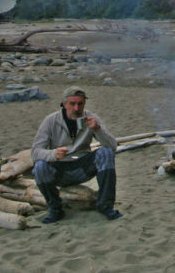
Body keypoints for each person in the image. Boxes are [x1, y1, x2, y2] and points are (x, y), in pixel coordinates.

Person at [31, 87, 122, 223]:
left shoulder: (91, 118)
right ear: (64, 103)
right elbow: (35, 152)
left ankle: (105, 206)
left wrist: (98, 129)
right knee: (39, 167)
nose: (76, 108)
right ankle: (55, 209)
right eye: (72, 104)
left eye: (80, 104)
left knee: (106, 153)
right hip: (59, 169)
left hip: (83, 166)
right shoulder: (50, 121)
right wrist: (53, 154)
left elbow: (113, 146)